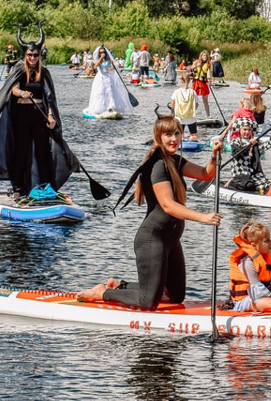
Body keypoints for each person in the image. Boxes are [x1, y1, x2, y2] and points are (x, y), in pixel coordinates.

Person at [75, 115, 222, 308]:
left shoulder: (175, 161)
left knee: (175, 296)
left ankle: (119, 286)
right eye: (168, 134)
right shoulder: (157, 165)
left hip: (170, 240)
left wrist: (213, 155)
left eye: (177, 133)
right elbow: (168, 205)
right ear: (158, 137)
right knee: (148, 302)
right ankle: (103, 292)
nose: (174, 139)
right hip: (153, 239)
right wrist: (203, 217)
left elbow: (205, 174)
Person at [0, 26, 82, 203]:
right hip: (21, 117)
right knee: (20, 152)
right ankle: (18, 189)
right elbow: (11, 89)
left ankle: (45, 187)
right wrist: (21, 93)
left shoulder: (44, 73)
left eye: (35, 55)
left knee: (42, 152)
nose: (32, 58)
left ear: (39, 56)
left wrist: (51, 116)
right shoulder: (19, 69)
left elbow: (49, 97)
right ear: (25, 55)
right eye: (29, 55)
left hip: (39, 117)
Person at [85, 45, 135, 116]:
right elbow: (95, 66)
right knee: (100, 92)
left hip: (108, 78)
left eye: (103, 52)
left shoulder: (109, 60)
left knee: (110, 92)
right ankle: (100, 108)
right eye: (101, 52)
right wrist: (101, 58)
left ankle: (111, 107)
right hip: (100, 78)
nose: (102, 53)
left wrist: (113, 67)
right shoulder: (97, 60)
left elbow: (111, 68)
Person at [226, 117, 271, 194]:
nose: (247, 132)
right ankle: (231, 183)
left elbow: (268, 145)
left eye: (249, 130)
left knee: (267, 185)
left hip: (252, 174)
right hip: (239, 175)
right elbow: (239, 154)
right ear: (240, 130)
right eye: (245, 129)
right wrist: (249, 145)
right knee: (249, 185)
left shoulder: (255, 142)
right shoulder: (235, 142)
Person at [169, 73, 199, 137]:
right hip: (191, 117)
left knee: (179, 135)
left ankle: (182, 140)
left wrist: (172, 115)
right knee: (194, 136)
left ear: (181, 81)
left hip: (179, 117)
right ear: (189, 81)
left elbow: (172, 105)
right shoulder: (193, 92)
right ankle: (192, 140)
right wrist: (190, 111)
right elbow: (196, 104)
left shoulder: (176, 92)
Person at [192, 50, 212, 117]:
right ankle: (192, 114)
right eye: (203, 55)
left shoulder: (208, 64)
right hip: (196, 82)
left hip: (203, 83)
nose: (205, 57)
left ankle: (208, 115)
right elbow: (190, 68)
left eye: (206, 55)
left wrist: (209, 80)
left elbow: (208, 73)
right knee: (194, 100)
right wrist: (197, 65)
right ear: (201, 56)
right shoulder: (196, 62)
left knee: (205, 100)